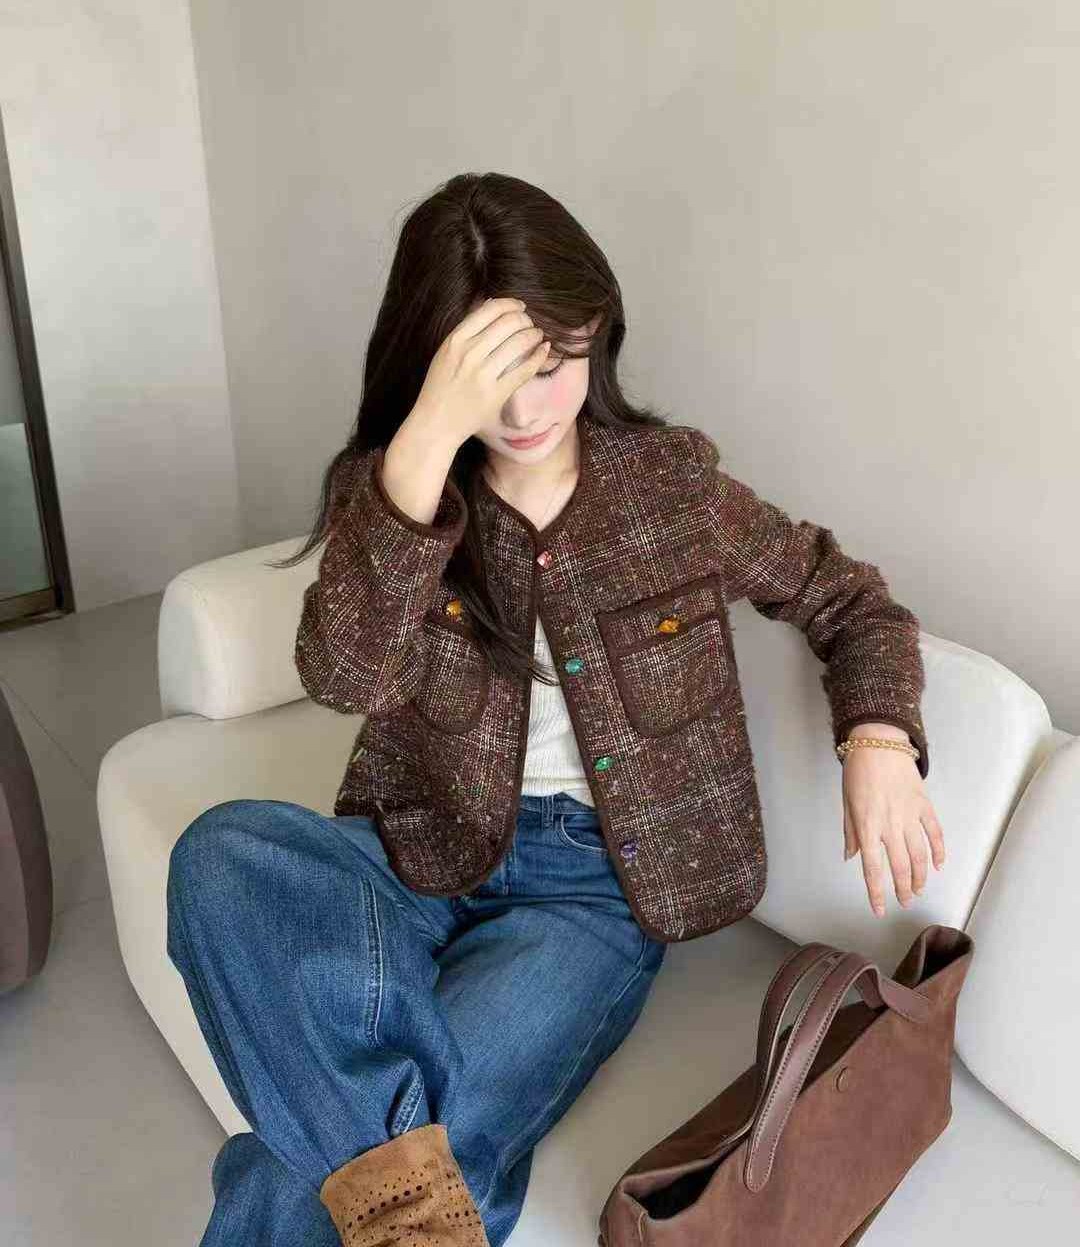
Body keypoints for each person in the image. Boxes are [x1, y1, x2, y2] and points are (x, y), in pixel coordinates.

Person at [166, 171, 944, 1246]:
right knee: (220, 857)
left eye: (551, 364)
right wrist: (423, 447)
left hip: (591, 895)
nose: (527, 411)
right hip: (412, 850)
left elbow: (850, 599)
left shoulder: (672, 491)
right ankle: (419, 1205)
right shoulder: (391, 493)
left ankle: (398, 1188)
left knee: (383, 1144)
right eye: (489, 379)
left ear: (597, 331)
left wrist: (878, 738)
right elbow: (345, 676)